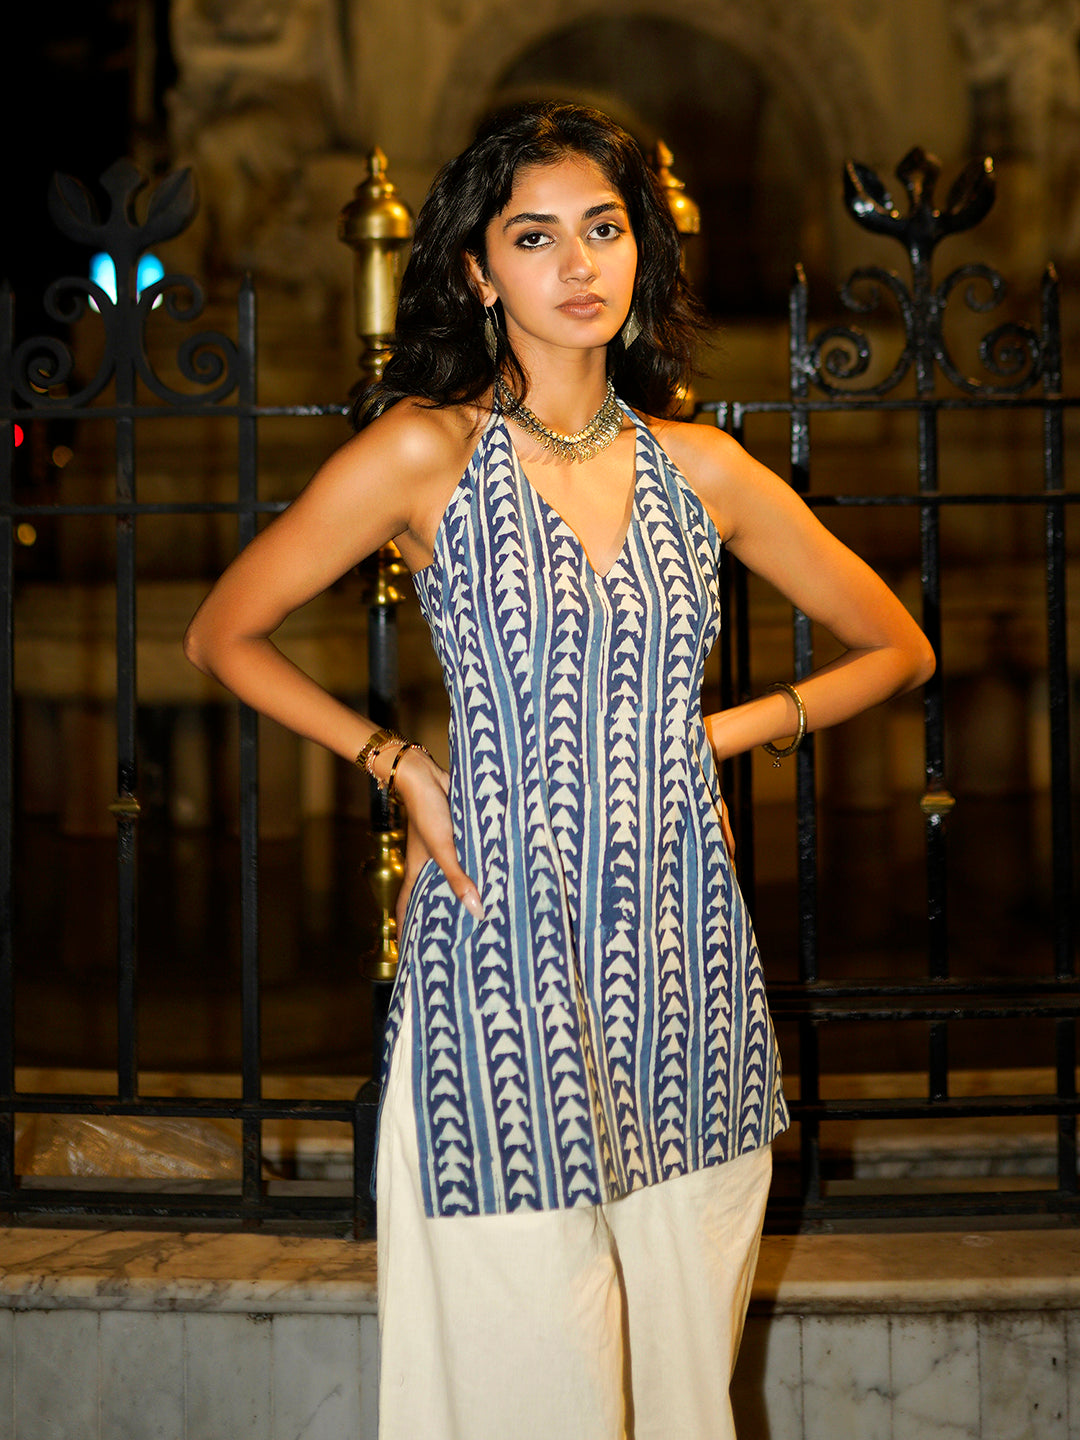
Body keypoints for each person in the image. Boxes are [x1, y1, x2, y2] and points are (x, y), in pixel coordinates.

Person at [185, 101, 935, 1440]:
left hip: (682, 963)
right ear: (479, 272)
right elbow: (222, 632)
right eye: (535, 237)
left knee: (683, 1383)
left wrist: (723, 733)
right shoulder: (427, 452)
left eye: (604, 228)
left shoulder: (703, 470)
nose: (579, 264)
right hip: (499, 961)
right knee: (532, 1375)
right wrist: (395, 761)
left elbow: (897, 645)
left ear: (642, 250)